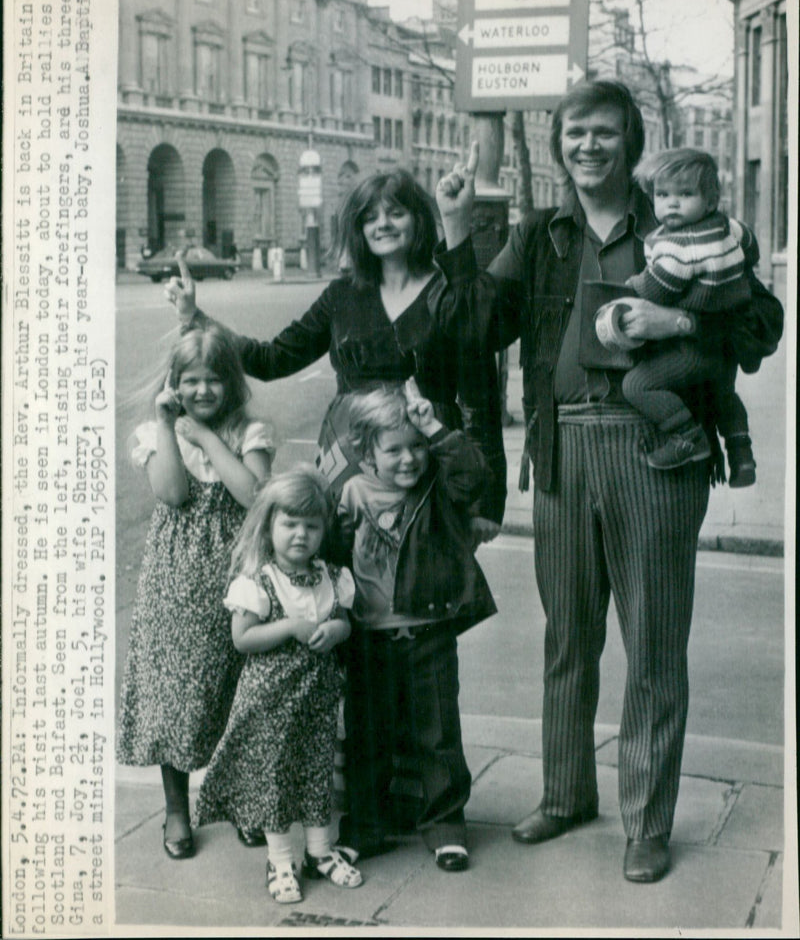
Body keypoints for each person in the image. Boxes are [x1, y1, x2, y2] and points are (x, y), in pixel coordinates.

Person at [432, 80, 780, 884]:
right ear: (560, 146)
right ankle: (564, 795)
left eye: (605, 134)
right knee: (567, 639)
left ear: (631, 141)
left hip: (656, 450)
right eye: (575, 134)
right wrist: (457, 232)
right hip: (561, 453)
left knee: (654, 645)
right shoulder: (542, 235)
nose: (588, 146)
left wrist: (681, 320)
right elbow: (474, 330)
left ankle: (647, 823)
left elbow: (763, 325)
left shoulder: (683, 220)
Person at [164, 168, 507, 542]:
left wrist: (487, 504)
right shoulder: (342, 295)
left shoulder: (448, 294)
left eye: (395, 213)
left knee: (419, 579)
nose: (383, 225)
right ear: (358, 229)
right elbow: (272, 359)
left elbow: (481, 398)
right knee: (344, 579)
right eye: (370, 217)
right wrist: (195, 317)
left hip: (423, 461)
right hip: (347, 460)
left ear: (418, 219)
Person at [116, 322, 274, 860]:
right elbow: (174, 493)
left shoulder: (249, 433)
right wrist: (169, 426)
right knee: (175, 689)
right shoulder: (153, 434)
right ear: (174, 384)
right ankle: (177, 808)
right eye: (190, 382)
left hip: (238, 570)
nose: (202, 391)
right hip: (177, 579)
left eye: (213, 381)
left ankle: (240, 799)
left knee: (240, 685)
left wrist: (206, 435)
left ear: (232, 383)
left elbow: (254, 494)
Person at [334, 379, 497, 874]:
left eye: (417, 447)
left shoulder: (438, 485)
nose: (409, 459)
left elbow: (475, 478)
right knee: (367, 738)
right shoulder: (354, 492)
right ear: (369, 452)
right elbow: (334, 551)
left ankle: (446, 826)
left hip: (429, 632)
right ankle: (365, 827)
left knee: (438, 734)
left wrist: (435, 428)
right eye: (395, 450)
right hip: (370, 638)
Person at [193, 467, 362, 905]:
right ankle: (280, 859)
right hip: (271, 703)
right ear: (270, 525)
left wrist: (337, 632)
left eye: (311, 525)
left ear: (324, 529)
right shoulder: (259, 581)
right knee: (275, 778)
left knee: (317, 772)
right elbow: (242, 638)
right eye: (289, 524)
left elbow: (343, 620)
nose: (301, 535)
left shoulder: (331, 576)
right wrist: (290, 626)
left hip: (317, 701)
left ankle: (320, 852)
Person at [613, 147, 757, 485]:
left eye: (685, 194)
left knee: (636, 385)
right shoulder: (729, 227)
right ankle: (742, 454)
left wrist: (632, 283)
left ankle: (688, 438)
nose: (672, 203)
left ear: (710, 201)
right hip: (724, 339)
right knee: (724, 394)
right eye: (663, 194)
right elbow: (751, 248)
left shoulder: (680, 247)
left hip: (693, 348)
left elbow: (657, 290)